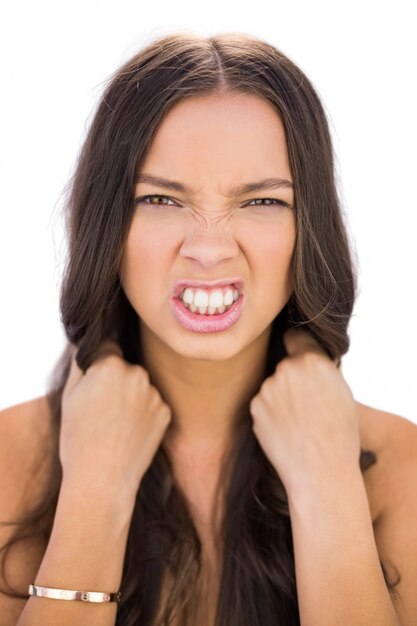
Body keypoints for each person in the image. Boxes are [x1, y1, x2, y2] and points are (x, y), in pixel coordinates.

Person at [0, 30, 415, 626]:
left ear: (311, 227)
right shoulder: (11, 460)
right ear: (106, 225)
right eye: (161, 200)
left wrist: (326, 482)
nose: (209, 249)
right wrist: (94, 489)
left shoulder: (402, 466)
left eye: (263, 202)